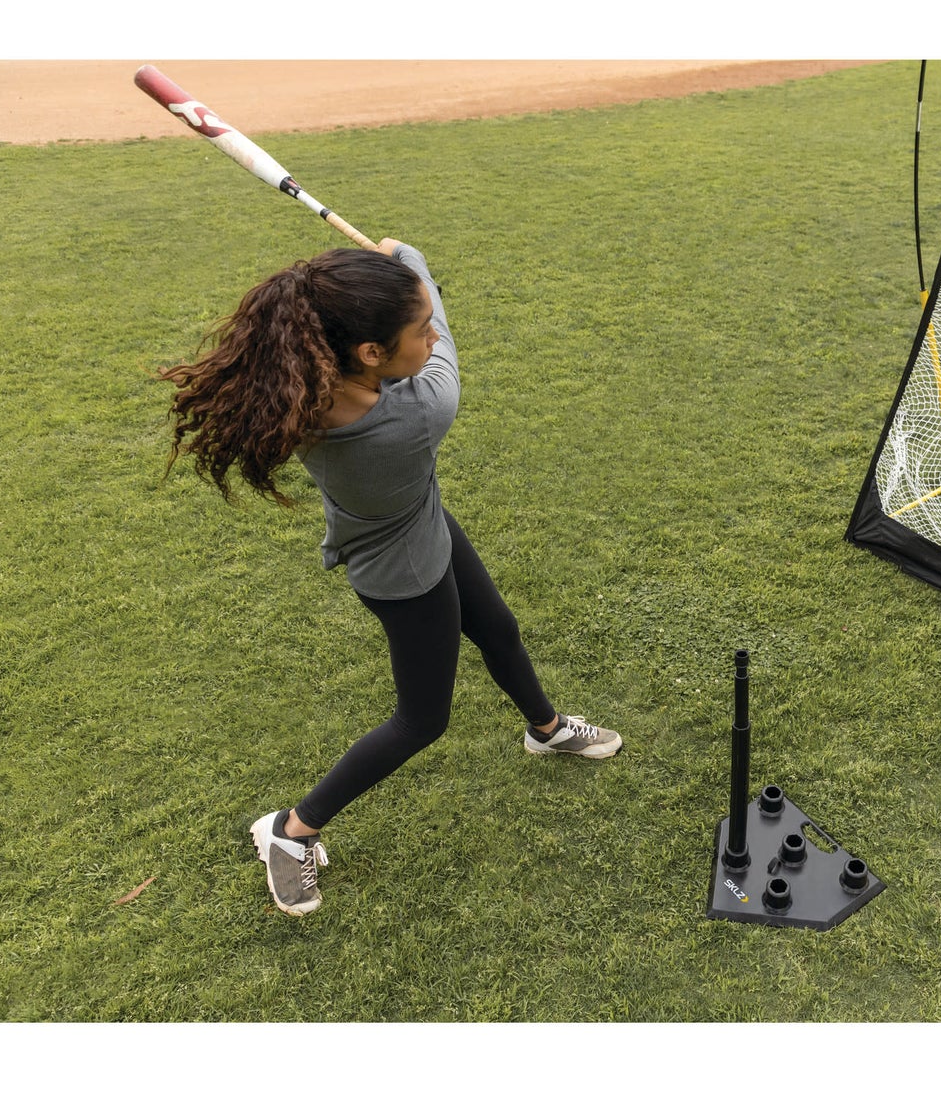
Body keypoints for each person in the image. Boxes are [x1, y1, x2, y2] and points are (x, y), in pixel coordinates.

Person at [158, 239, 620, 916]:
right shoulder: (417, 410)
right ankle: (289, 831)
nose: (430, 335)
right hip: (403, 568)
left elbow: (362, 318)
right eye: (417, 326)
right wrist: (409, 255)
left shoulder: (308, 382)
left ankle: (545, 727)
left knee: (496, 627)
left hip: (418, 518)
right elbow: (444, 352)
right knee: (421, 719)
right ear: (369, 351)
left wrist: (388, 283)